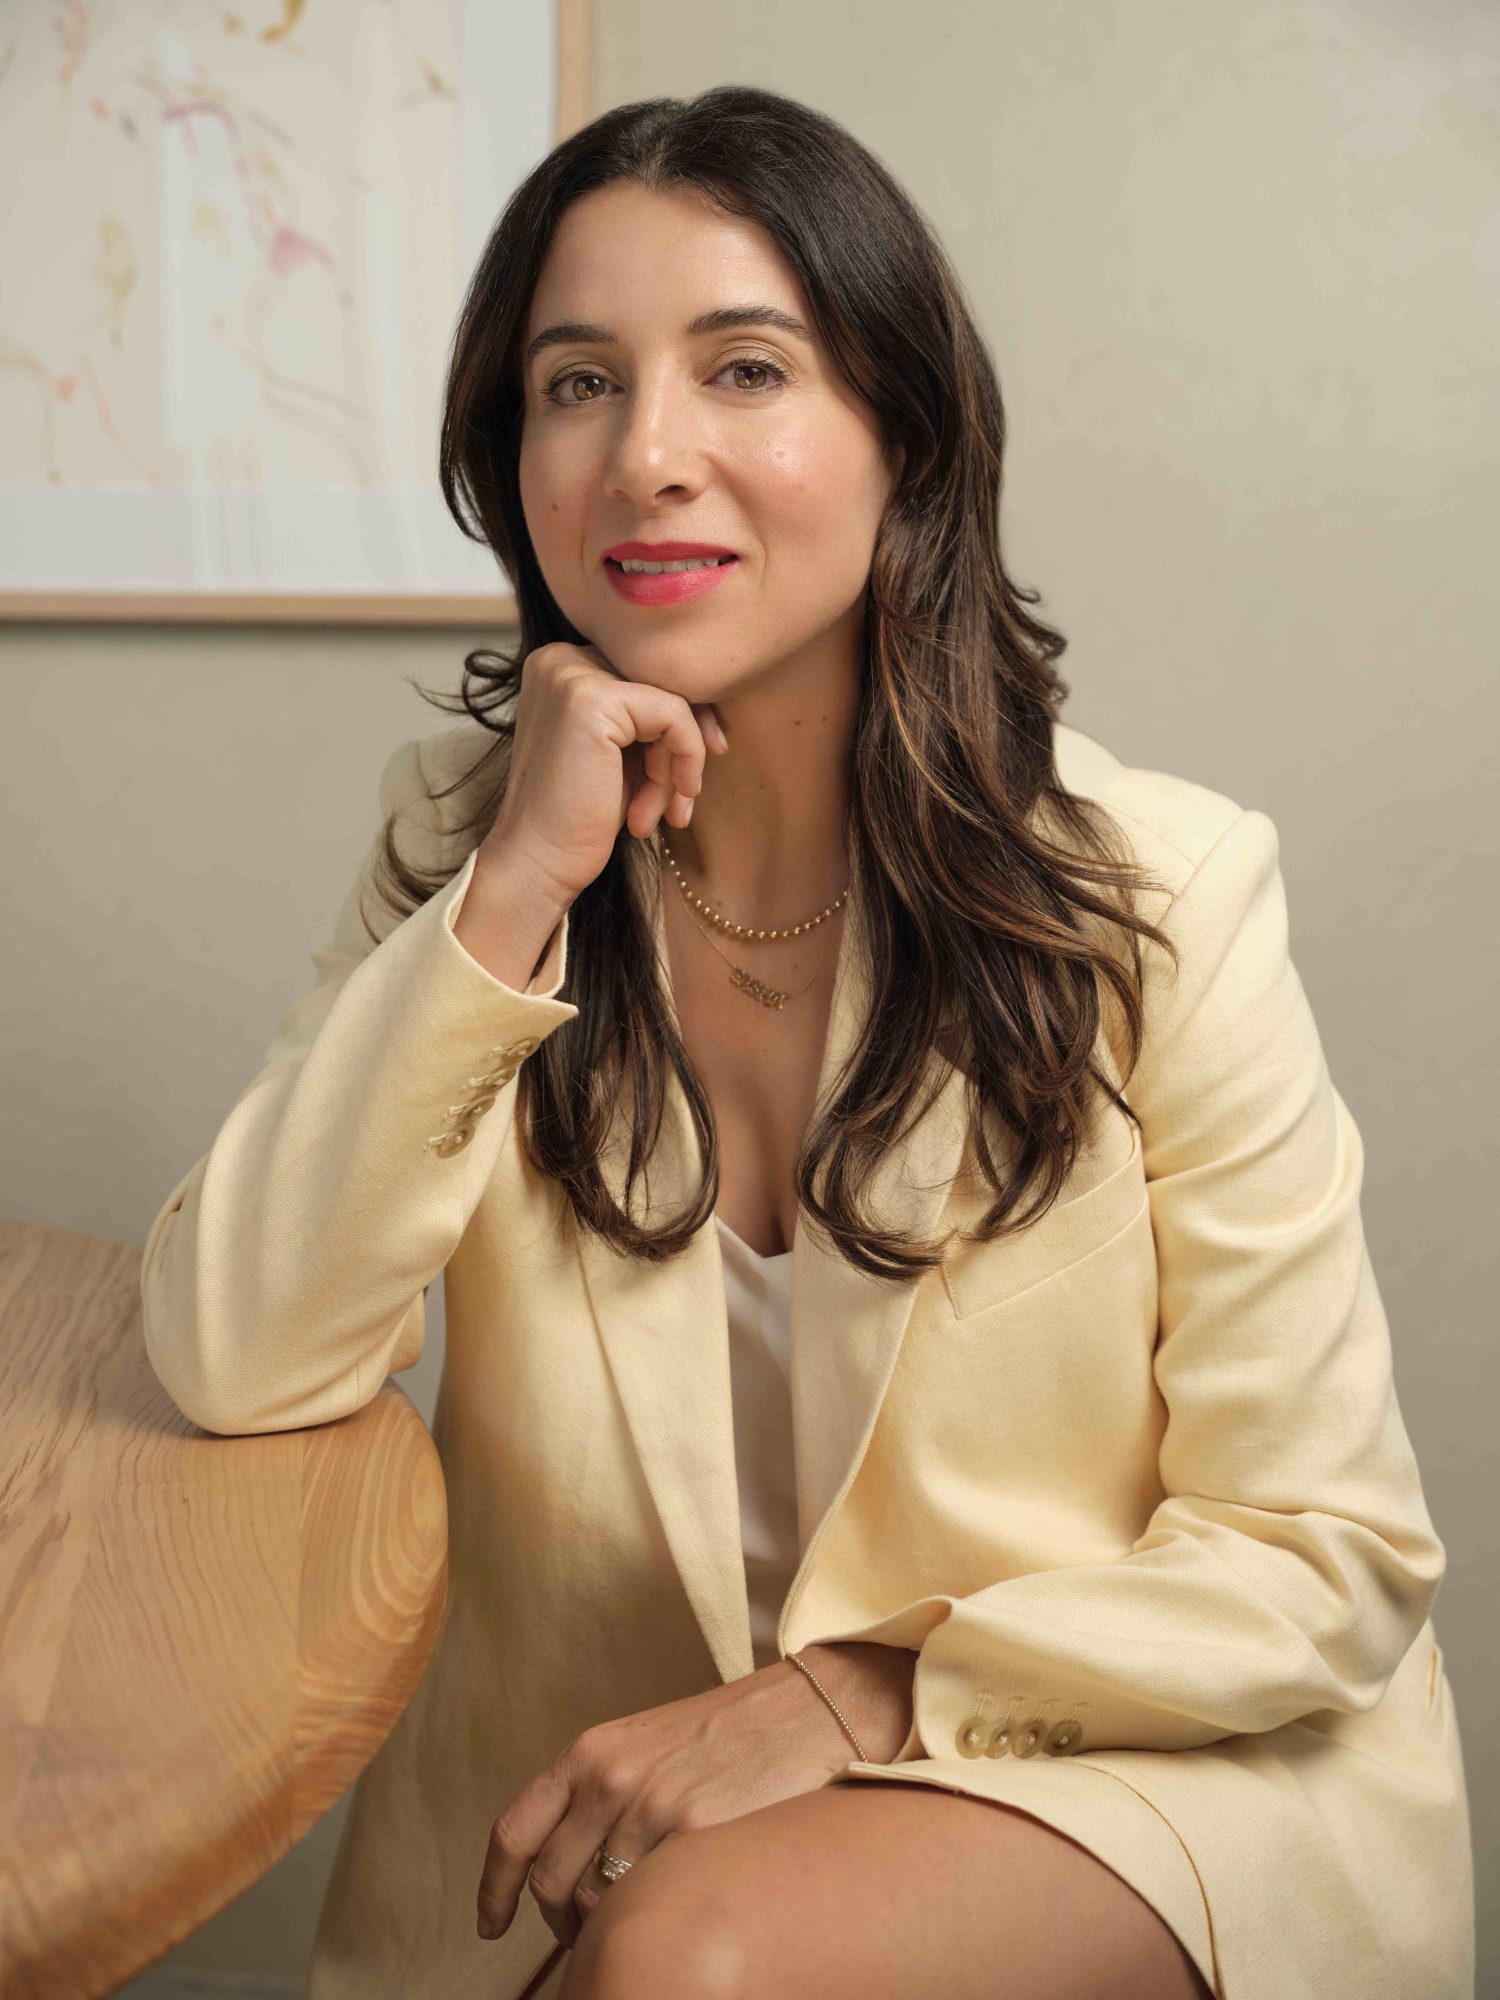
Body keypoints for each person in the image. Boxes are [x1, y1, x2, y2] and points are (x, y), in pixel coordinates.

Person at [140, 83, 1474, 2000]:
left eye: (745, 369)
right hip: (603, 1820)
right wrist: (515, 885)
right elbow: (233, 1352)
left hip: (1129, 1772)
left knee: (698, 1968)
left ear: (902, 441)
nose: (648, 456)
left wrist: (854, 1694)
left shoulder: (1160, 896)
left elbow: (1326, 1551)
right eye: (575, 383)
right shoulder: (459, 851)